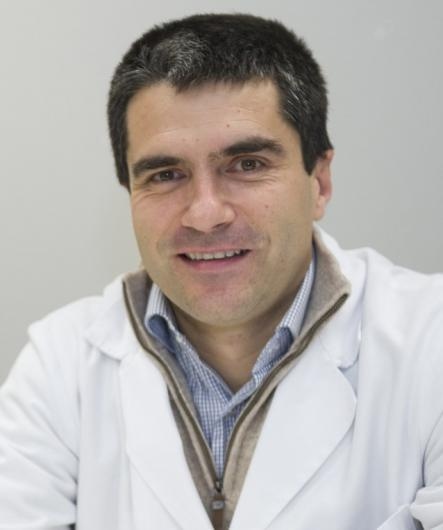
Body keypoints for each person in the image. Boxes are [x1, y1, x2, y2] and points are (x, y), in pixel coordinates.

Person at [0, 13, 442, 530]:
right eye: (166, 174)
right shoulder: (61, 365)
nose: (206, 213)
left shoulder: (430, 342)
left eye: (247, 164)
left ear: (319, 182)